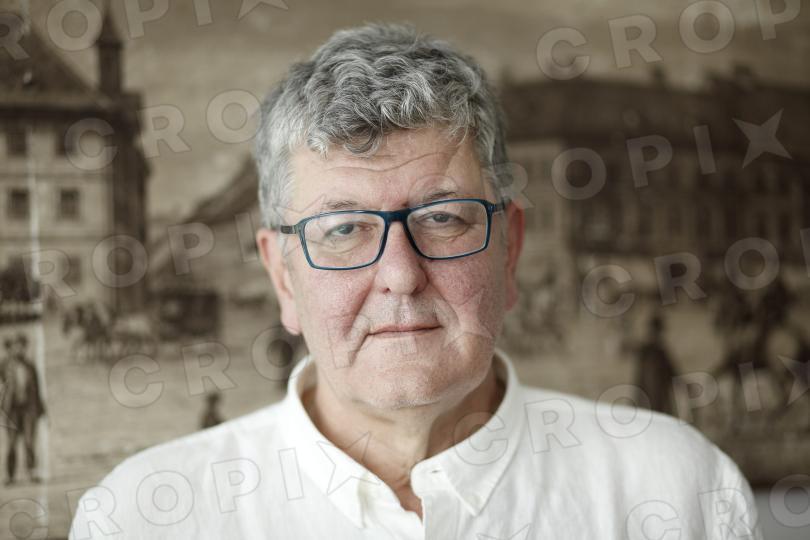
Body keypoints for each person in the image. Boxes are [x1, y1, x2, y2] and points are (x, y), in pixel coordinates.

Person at [69, 23, 762, 539]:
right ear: (282, 274)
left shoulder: (680, 492)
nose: (400, 275)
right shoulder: (140, 519)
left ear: (510, 251)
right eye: (344, 228)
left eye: (443, 219)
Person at [1, 332, 46, 486]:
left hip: (28, 409)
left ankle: (32, 471)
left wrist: (41, 409)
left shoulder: (30, 367)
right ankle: (10, 475)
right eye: (16, 346)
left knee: (29, 441)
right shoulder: (5, 365)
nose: (19, 349)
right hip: (12, 410)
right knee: (11, 443)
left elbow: (37, 389)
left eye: (21, 346)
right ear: (12, 348)